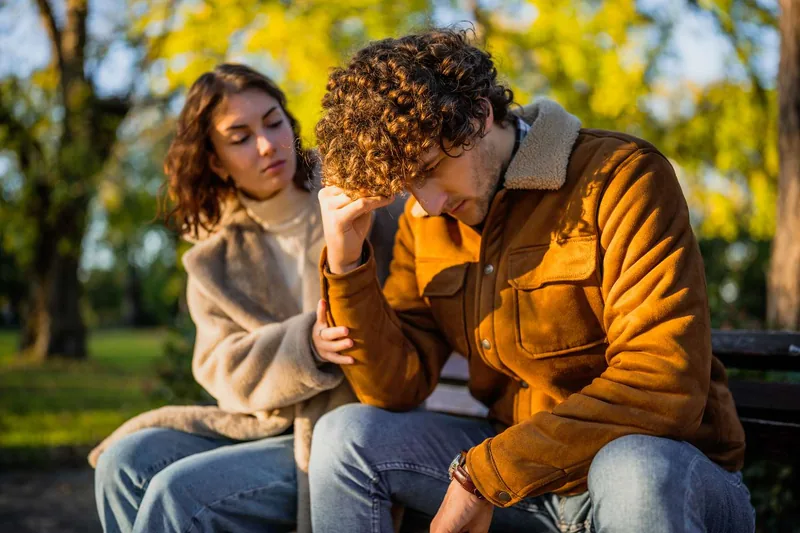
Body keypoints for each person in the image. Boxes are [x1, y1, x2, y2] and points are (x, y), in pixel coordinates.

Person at [309, 29, 755, 533]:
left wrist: (485, 474)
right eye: (407, 184)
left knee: (632, 468)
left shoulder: (621, 177)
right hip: (521, 489)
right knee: (346, 435)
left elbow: (663, 384)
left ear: (478, 114)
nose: (428, 204)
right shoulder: (424, 219)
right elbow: (395, 388)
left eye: (430, 169)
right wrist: (346, 261)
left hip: (667, 476)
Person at [89, 63, 401, 533]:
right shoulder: (213, 258)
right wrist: (306, 347)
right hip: (267, 424)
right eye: (239, 137)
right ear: (214, 160)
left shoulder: (357, 196)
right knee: (124, 462)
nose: (267, 144)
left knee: (177, 494)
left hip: (345, 423)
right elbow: (222, 368)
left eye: (274, 122)